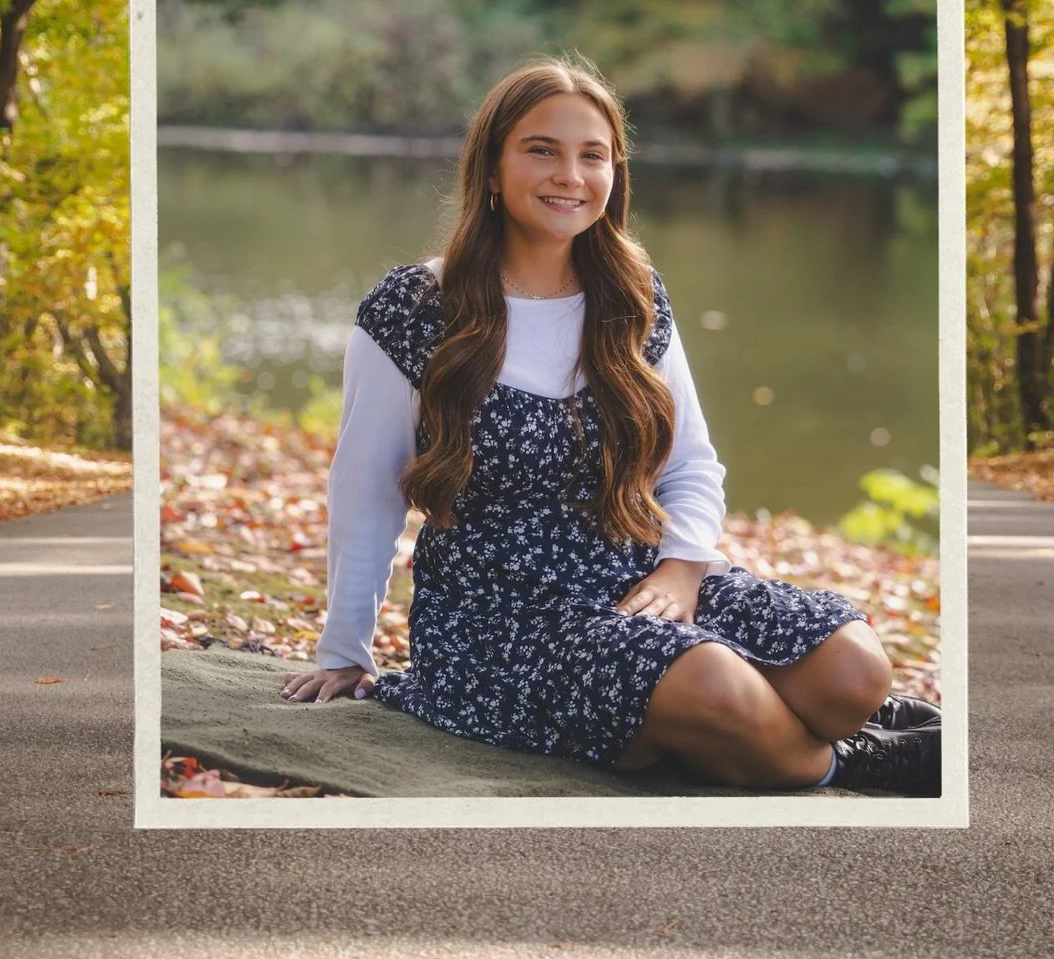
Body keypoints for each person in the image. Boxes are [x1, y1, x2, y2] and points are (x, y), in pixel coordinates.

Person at [281, 57, 942, 795]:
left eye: (592, 154)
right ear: (492, 169)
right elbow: (367, 485)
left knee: (854, 668)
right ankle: (858, 759)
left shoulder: (632, 297)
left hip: (640, 573)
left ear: (614, 175)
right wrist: (346, 647)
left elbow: (690, 463)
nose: (570, 174)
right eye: (541, 149)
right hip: (501, 616)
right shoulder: (414, 307)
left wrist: (684, 566)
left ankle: (775, 725)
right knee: (719, 690)